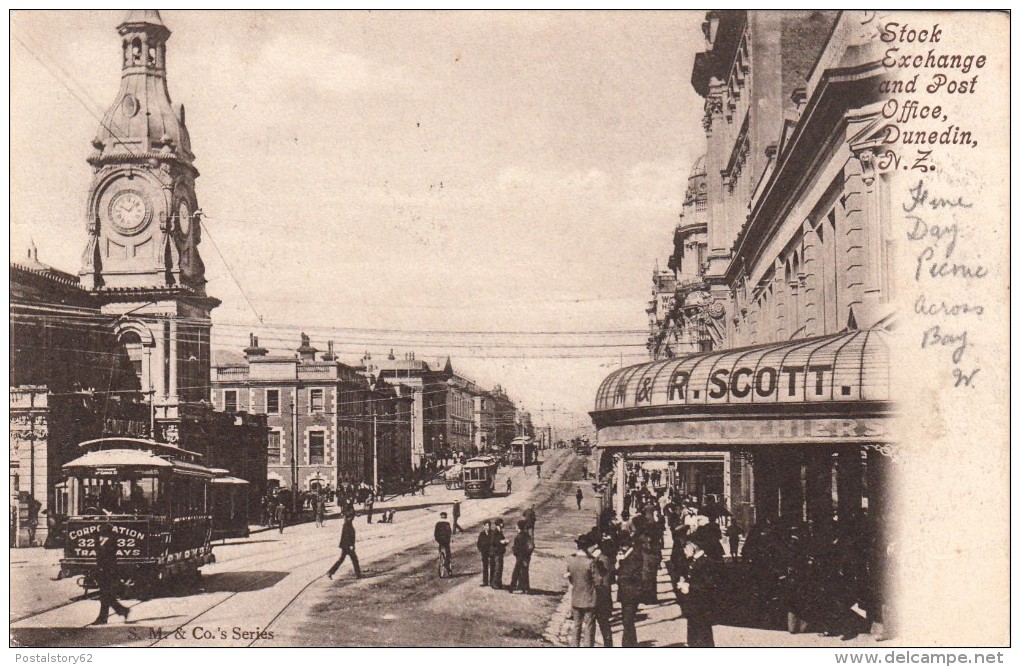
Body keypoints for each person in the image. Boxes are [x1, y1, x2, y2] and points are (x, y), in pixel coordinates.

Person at [678, 535, 720, 647]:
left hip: (702, 608)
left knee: (703, 638)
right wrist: (684, 581)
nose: (684, 550)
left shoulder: (706, 562)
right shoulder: (694, 561)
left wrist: (689, 587)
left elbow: (708, 585)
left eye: (685, 546)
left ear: (693, 546)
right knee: (694, 638)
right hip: (694, 608)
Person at [92, 523, 129, 624]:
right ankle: (122, 610)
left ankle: (103, 618)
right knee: (106, 595)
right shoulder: (101, 540)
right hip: (103, 570)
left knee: (105, 595)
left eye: (102, 530)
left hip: (109, 571)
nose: (100, 531)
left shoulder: (112, 541)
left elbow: (106, 554)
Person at [566, 533, 597, 647]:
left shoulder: (571, 561)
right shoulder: (590, 562)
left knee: (576, 625)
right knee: (589, 626)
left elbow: (571, 579)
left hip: (576, 597)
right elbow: (597, 580)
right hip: (589, 598)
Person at [616, 529, 645, 647]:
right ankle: (632, 644)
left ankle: (628, 645)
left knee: (627, 621)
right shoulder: (631, 555)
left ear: (625, 546)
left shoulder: (634, 556)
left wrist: (619, 564)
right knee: (628, 621)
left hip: (631, 593)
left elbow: (626, 575)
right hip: (627, 593)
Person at [327, 512, 362, 579]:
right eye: (352, 517)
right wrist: (351, 545)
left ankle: (330, 572)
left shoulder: (348, 523)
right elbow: (347, 537)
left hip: (345, 545)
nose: (353, 518)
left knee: (342, 560)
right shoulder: (347, 524)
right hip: (347, 546)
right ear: (350, 517)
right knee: (354, 560)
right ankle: (358, 575)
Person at [508, 519, 534, 594]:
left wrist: (514, 551)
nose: (515, 527)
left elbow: (516, 549)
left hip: (520, 557)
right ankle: (525, 588)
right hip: (526, 557)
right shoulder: (527, 535)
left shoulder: (518, 537)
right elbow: (531, 546)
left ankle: (512, 588)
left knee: (516, 573)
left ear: (519, 527)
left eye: (516, 526)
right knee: (525, 572)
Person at [489, 518, 508, 589]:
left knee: (500, 568)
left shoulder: (500, 531)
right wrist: (501, 542)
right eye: (502, 523)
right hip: (496, 553)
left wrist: (505, 542)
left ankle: (498, 583)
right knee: (497, 568)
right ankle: (494, 583)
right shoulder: (495, 532)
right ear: (499, 524)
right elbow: (493, 542)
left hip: (499, 552)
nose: (503, 524)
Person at [477, 520, 493, 586]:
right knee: (485, 567)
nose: (488, 527)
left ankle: (492, 581)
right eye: (486, 526)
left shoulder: (492, 533)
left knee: (492, 567)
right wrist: (481, 550)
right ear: (484, 526)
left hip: (491, 552)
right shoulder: (482, 534)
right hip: (484, 553)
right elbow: (478, 544)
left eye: (489, 525)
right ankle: (485, 582)